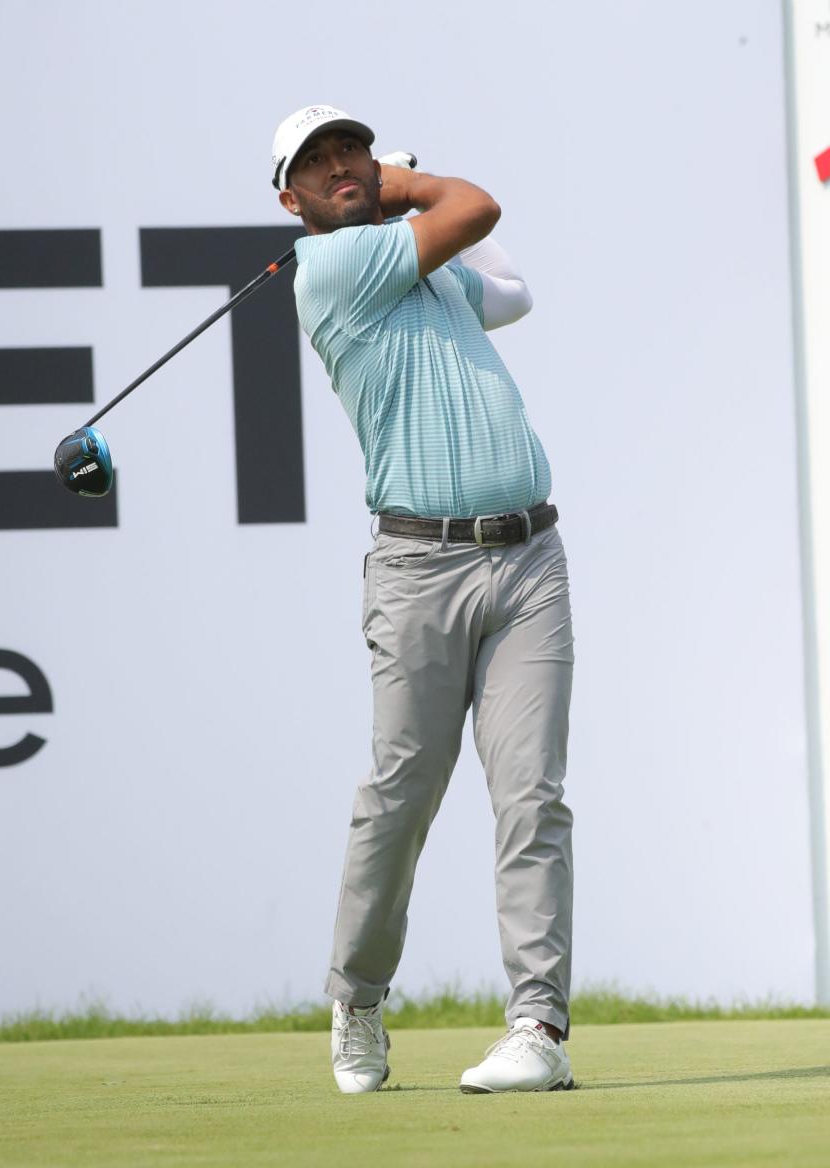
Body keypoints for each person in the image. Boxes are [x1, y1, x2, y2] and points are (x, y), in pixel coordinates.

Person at [271, 105, 575, 1095]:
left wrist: (411, 220)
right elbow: (477, 203)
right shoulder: (329, 271)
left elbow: (517, 294)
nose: (342, 166)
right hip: (420, 574)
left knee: (530, 795)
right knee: (401, 797)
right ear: (294, 202)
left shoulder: (422, 272)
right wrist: (404, 188)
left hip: (529, 559)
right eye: (318, 164)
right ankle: (357, 995)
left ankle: (538, 1026)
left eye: (351, 149)